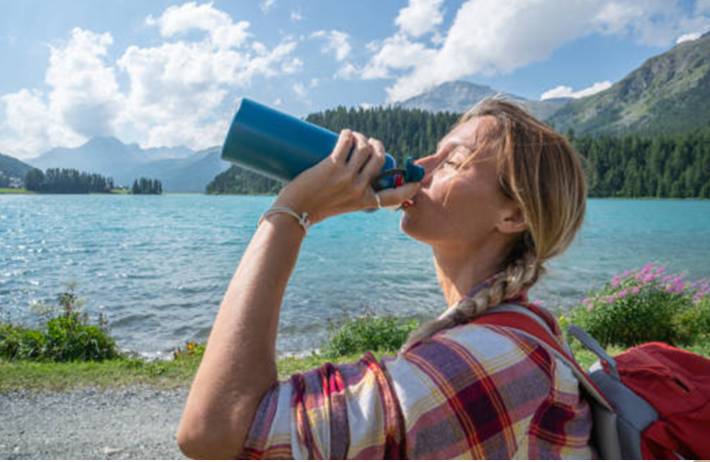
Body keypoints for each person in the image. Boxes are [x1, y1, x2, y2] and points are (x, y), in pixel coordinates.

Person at [176, 99, 592, 459]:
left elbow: (216, 431)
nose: (422, 167)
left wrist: (291, 212)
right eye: (433, 153)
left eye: (452, 161)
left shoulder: (484, 360)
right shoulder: (519, 331)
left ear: (514, 215)